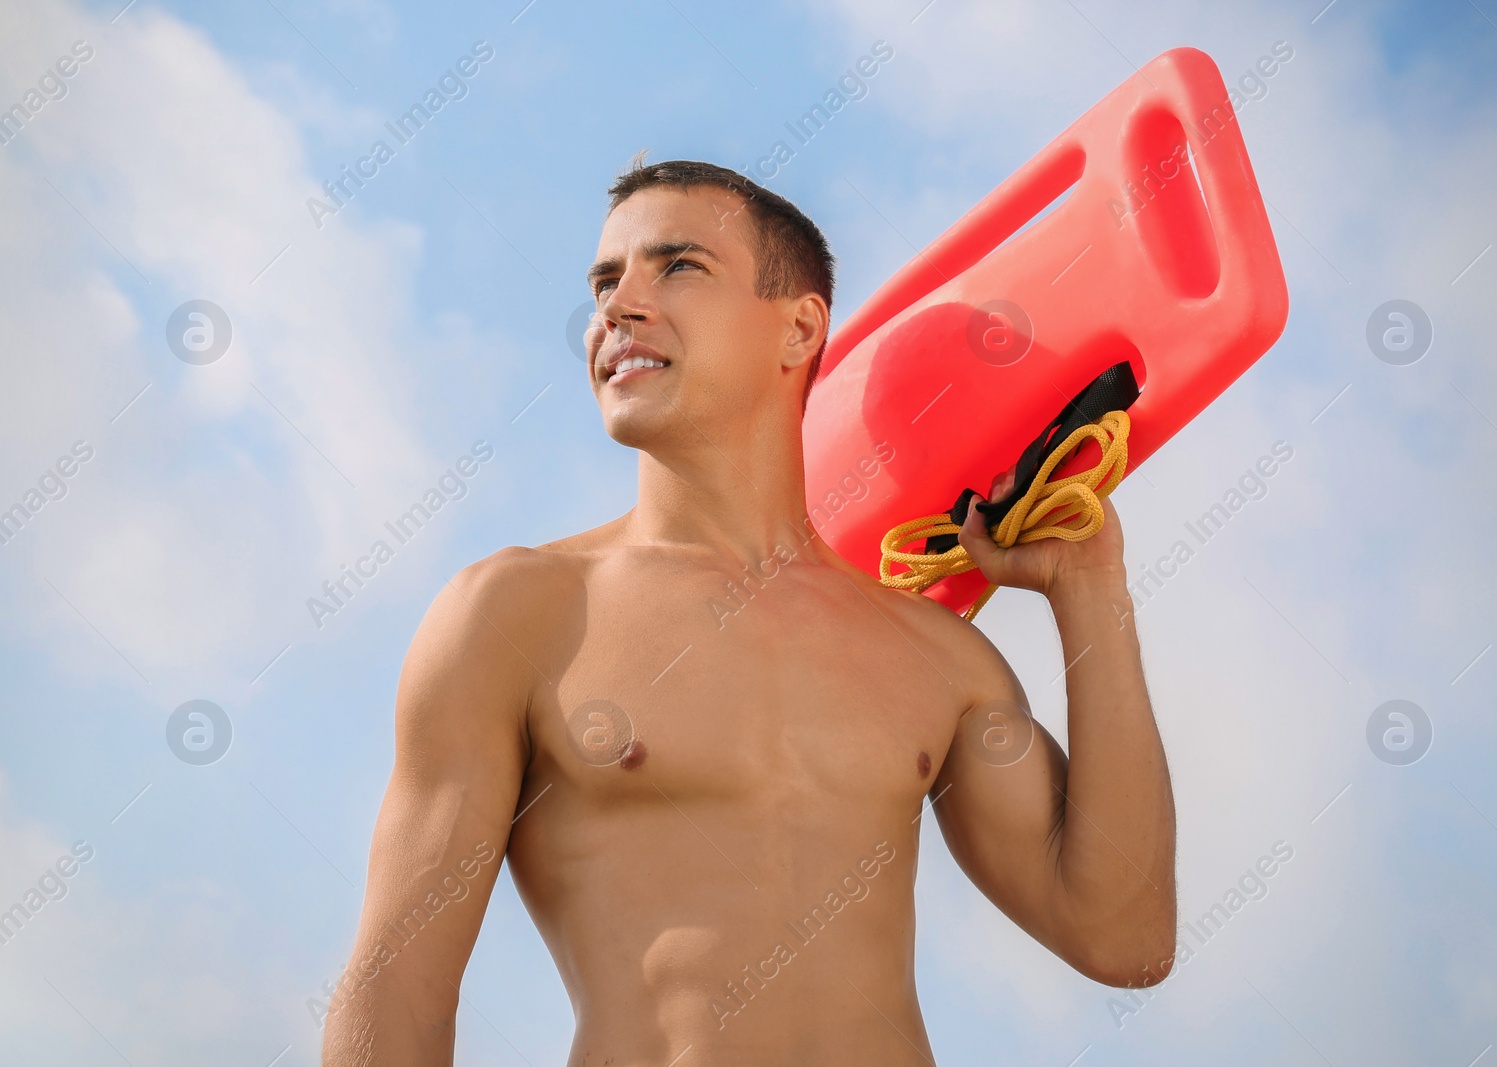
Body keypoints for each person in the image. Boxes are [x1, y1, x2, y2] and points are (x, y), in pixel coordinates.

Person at [321, 158, 1176, 1066]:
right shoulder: (516, 615)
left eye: (677, 266)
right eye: (606, 280)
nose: (617, 306)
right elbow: (397, 988)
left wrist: (1091, 593)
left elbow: (1125, 937)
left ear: (800, 328)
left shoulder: (935, 657)